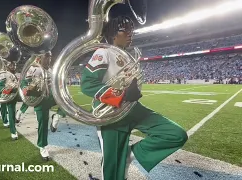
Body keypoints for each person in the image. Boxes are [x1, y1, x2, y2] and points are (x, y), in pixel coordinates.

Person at [80, 16, 188, 180]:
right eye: (126, 31)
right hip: (111, 113)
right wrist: (121, 94)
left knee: (176, 134)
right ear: (114, 34)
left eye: (132, 31)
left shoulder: (128, 55)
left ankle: (128, 156)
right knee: (113, 170)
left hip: (132, 108)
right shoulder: (103, 52)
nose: (131, 34)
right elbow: (87, 84)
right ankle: (118, 161)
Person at [21, 52, 65, 160]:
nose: (49, 59)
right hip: (40, 98)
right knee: (43, 123)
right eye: (46, 56)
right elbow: (24, 82)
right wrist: (26, 89)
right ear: (39, 57)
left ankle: (57, 117)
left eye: (50, 56)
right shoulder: (33, 68)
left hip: (50, 96)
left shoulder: (50, 70)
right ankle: (42, 146)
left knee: (66, 101)